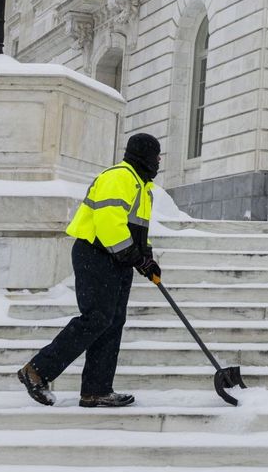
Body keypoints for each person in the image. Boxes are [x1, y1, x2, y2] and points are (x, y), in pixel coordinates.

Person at [18, 134, 163, 408]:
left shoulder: (142, 187)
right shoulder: (119, 177)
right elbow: (109, 224)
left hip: (117, 259)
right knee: (96, 318)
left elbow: (138, 231)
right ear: (144, 155)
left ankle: (96, 390)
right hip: (95, 254)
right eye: (156, 155)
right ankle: (36, 370)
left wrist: (147, 258)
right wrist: (134, 256)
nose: (158, 161)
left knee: (112, 322)